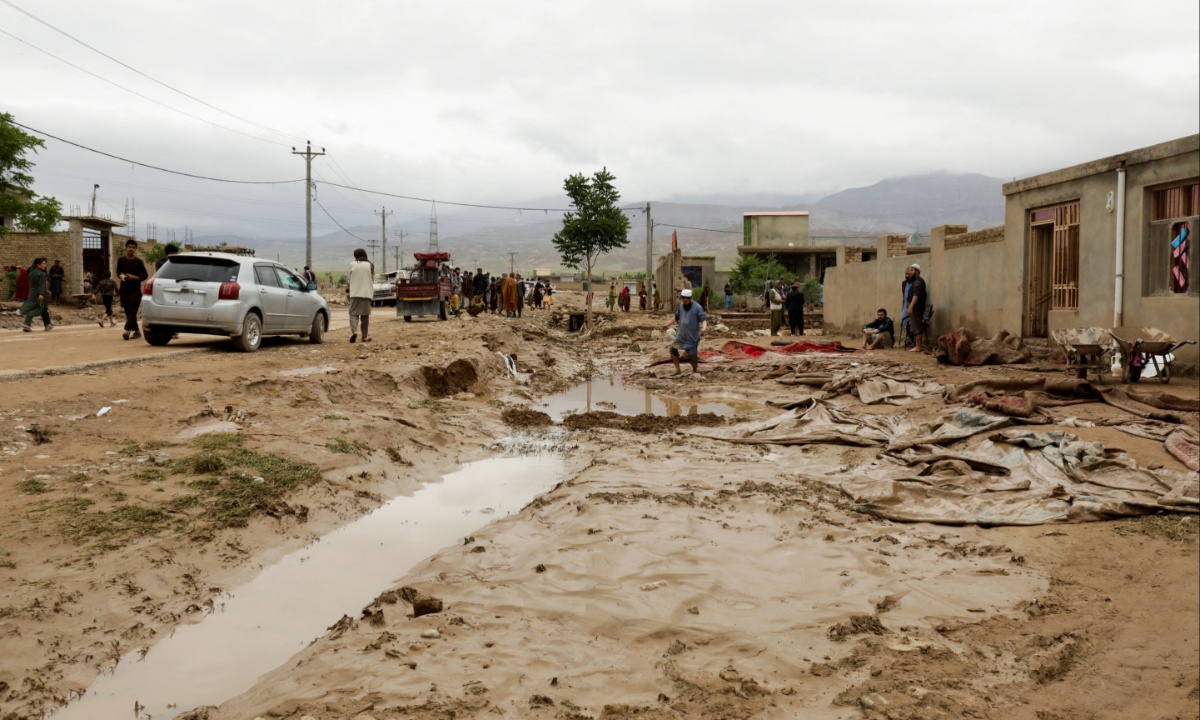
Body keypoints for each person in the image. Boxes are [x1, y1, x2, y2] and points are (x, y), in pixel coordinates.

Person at [661, 288, 708, 376]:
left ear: (690, 299)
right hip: (681, 335)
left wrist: (704, 328)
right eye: (683, 301)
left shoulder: (697, 308)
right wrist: (666, 325)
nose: (684, 303)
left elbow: (703, 319)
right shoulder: (681, 306)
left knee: (691, 355)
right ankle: (678, 370)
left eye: (686, 301)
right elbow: (676, 317)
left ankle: (695, 370)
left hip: (692, 336)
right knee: (673, 349)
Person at [116, 239, 148, 340]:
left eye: (133, 247)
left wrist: (136, 278)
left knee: (133, 311)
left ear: (135, 249)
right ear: (126, 248)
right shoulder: (121, 260)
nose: (131, 249)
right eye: (129, 247)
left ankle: (127, 331)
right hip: (125, 289)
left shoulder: (139, 262)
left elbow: (145, 275)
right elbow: (118, 273)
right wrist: (124, 278)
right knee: (127, 311)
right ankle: (137, 331)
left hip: (135, 291)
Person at [347, 248, 374, 342]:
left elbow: (350, 278)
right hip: (367, 293)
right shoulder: (370, 265)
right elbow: (371, 277)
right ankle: (364, 336)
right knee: (365, 316)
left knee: (353, 314)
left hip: (355, 293)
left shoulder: (352, 264)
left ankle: (354, 331)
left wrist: (348, 288)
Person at [20, 258, 52, 332]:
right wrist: (41, 293)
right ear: (38, 265)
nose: (45, 265)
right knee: (39, 308)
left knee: (43, 308)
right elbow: (40, 285)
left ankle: (47, 325)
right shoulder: (42, 274)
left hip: (32, 293)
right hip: (39, 294)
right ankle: (27, 324)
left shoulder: (31, 273)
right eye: (43, 264)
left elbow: (34, 284)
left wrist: (45, 290)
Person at [906, 263, 928, 353]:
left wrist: (911, 307)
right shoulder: (914, 281)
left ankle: (918, 347)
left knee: (917, 326)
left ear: (917, 272)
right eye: (909, 270)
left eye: (912, 270)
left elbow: (916, 295)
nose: (910, 272)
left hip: (917, 308)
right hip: (915, 307)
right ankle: (918, 346)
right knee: (915, 326)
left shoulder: (918, 281)